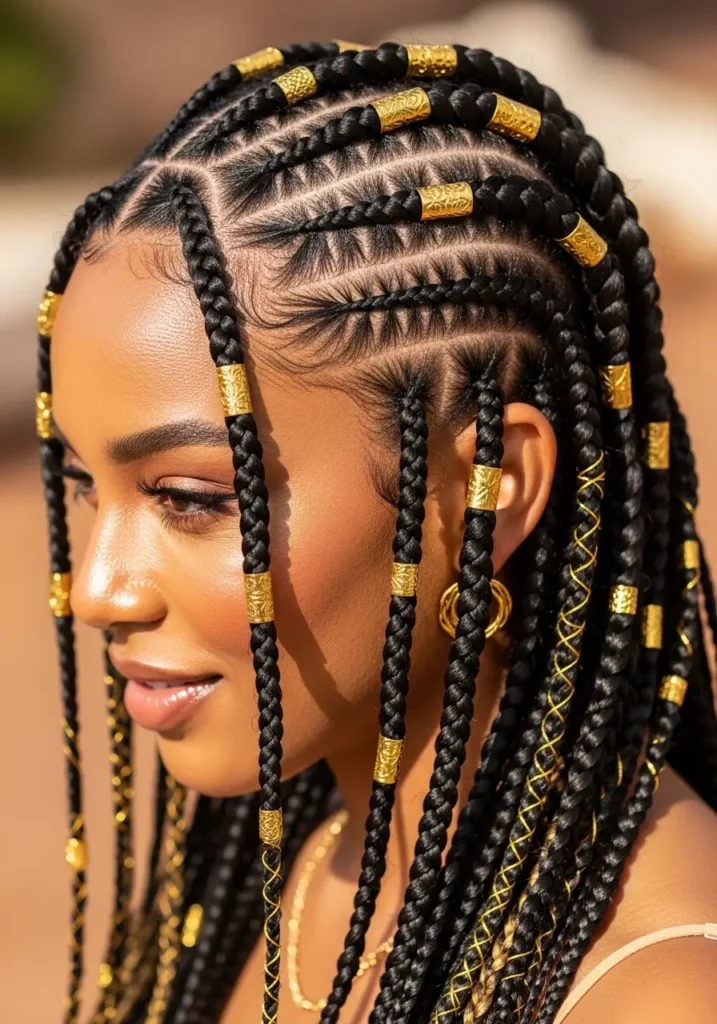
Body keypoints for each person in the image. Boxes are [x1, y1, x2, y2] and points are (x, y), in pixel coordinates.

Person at [35, 40, 717, 1024]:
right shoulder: (281, 862)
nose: (98, 589)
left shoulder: (658, 991)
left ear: (488, 491)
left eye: (189, 496)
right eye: (84, 486)